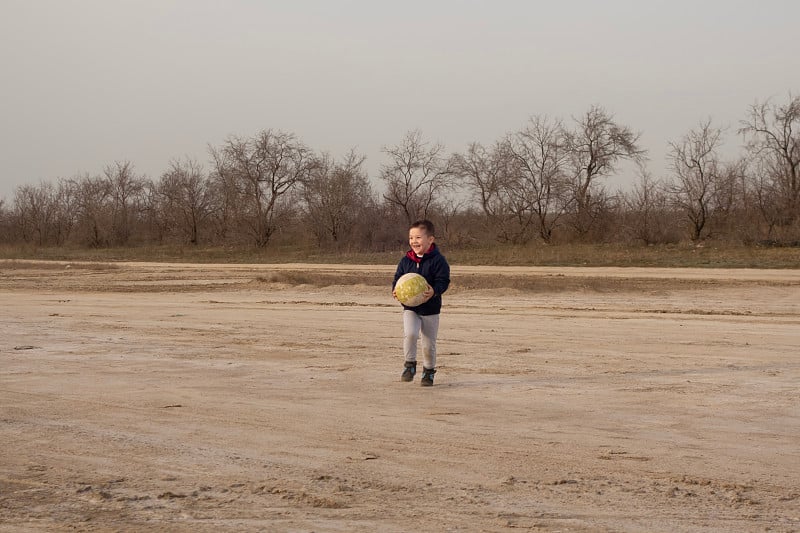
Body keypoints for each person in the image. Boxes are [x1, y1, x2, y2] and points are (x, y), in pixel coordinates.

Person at [392, 219, 450, 386]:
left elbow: (443, 280)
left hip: (431, 309)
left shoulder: (438, 260)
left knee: (428, 343)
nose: (414, 241)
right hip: (410, 307)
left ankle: (429, 371)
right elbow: (398, 278)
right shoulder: (406, 260)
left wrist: (434, 291)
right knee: (410, 334)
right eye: (411, 238)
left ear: (430, 239)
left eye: (418, 238)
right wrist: (395, 290)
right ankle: (409, 365)